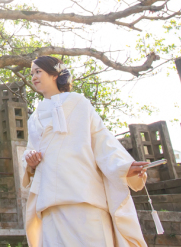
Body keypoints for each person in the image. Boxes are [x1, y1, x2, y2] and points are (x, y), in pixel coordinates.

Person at [21, 55, 149, 247]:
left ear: (54, 74)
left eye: (38, 71)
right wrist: (30, 163)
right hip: (50, 201)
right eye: (32, 73)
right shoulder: (34, 119)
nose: (34, 77)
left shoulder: (78, 103)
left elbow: (101, 138)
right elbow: (31, 151)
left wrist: (122, 166)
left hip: (84, 195)